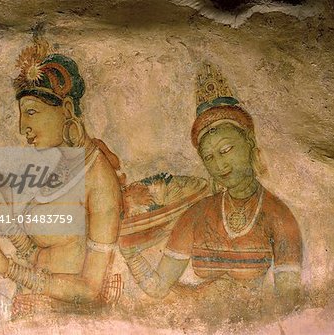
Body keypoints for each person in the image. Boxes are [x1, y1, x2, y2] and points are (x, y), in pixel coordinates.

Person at [121, 63, 302, 317]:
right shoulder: (196, 215)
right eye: (209, 157)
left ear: (249, 143)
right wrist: (130, 255)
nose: (219, 164)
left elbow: (287, 306)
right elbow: (158, 287)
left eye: (226, 150)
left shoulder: (279, 217)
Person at [0, 40, 123, 319]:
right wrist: (6, 219)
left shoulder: (100, 179)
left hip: (70, 321)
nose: (22, 127)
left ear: (67, 108)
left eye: (32, 112)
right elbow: (41, 253)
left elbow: (89, 289)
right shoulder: (65, 166)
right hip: (35, 311)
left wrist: (6, 268)